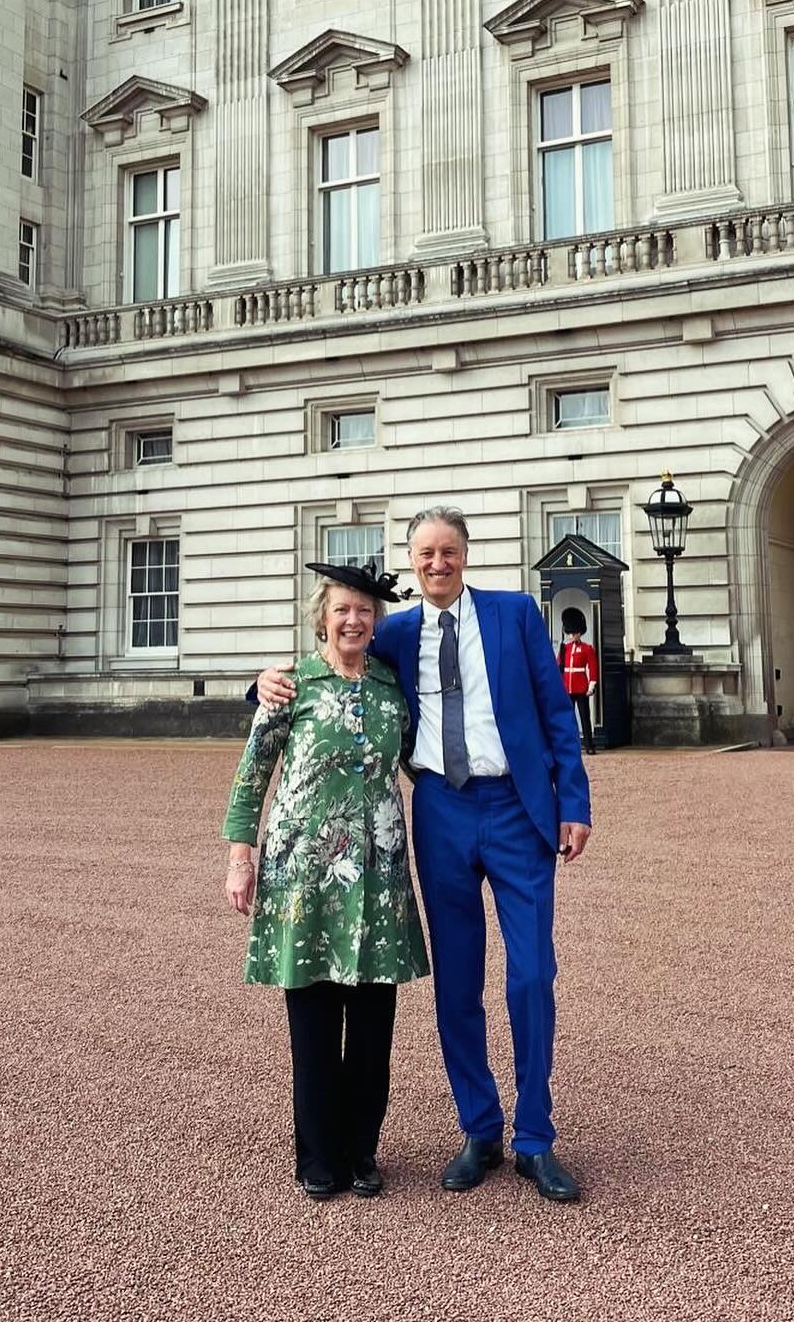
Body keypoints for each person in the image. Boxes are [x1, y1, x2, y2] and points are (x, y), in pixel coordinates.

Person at [258, 504, 592, 1204]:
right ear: (412, 563)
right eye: (425, 554)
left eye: (448, 551)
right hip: (441, 809)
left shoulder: (515, 614)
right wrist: (258, 686)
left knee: (532, 975)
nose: (438, 563)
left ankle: (535, 1138)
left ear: (465, 555)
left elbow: (557, 712)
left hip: (518, 809)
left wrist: (574, 803)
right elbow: (329, 664)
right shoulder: (395, 631)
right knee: (457, 983)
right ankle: (480, 1127)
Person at [223, 561, 429, 1201]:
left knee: (371, 1028)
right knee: (313, 1025)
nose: (353, 620)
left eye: (364, 611)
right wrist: (240, 857)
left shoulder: (390, 688)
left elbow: (420, 763)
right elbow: (252, 776)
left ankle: (361, 1149)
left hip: (378, 873)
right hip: (305, 876)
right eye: (342, 609)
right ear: (322, 617)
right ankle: (316, 1154)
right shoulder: (291, 685)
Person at [559, 607, 599, 755]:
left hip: (581, 687)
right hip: (567, 687)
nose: (572, 636)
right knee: (568, 718)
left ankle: (589, 745)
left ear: (579, 633)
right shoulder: (565, 648)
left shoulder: (587, 648)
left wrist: (591, 685)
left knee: (584, 717)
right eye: (570, 633)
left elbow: (593, 667)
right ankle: (569, 745)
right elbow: (559, 667)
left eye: (574, 633)